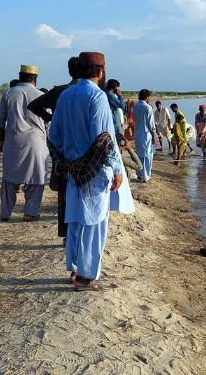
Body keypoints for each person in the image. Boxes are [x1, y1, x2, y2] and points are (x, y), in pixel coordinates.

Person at [48, 51, 134, 290]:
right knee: (95, 223)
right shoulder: (97, 97)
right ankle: (86, 276)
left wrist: (64, 160)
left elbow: (53, 136)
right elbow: (104, 139)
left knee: (75, 220)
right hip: (95, 171)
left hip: (72, 170)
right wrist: (117, 169)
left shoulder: (65, 96)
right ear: (100, 72)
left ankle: (75, 269)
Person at [28, 56, 79, 245]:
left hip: (62, 148)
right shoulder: (89, 92)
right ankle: (76, 236)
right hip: (82, 150)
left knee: (64, 195)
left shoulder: (60, 91)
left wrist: (51, 118)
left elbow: (33, 106)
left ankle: (67, 236)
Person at [0, 64, 47, 222]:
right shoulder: (41, 95)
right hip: (36, 141)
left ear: (19, 76)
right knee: (36, 177)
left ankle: (5, 212)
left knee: (9, 177)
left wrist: (2, 140)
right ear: (35, 79)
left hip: (13, 139)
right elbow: (49, 122)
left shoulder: (9, 93)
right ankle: (30, 213)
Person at [134, 89, 156, 182]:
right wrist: (154, 135)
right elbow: (151, 124)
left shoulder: (135, 106)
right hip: (146, 133)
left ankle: (139, 173)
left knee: (139, 154)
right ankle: (145, 175)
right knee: (147, 155)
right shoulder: (148, 107)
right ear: (147, 97)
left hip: (138, 132)